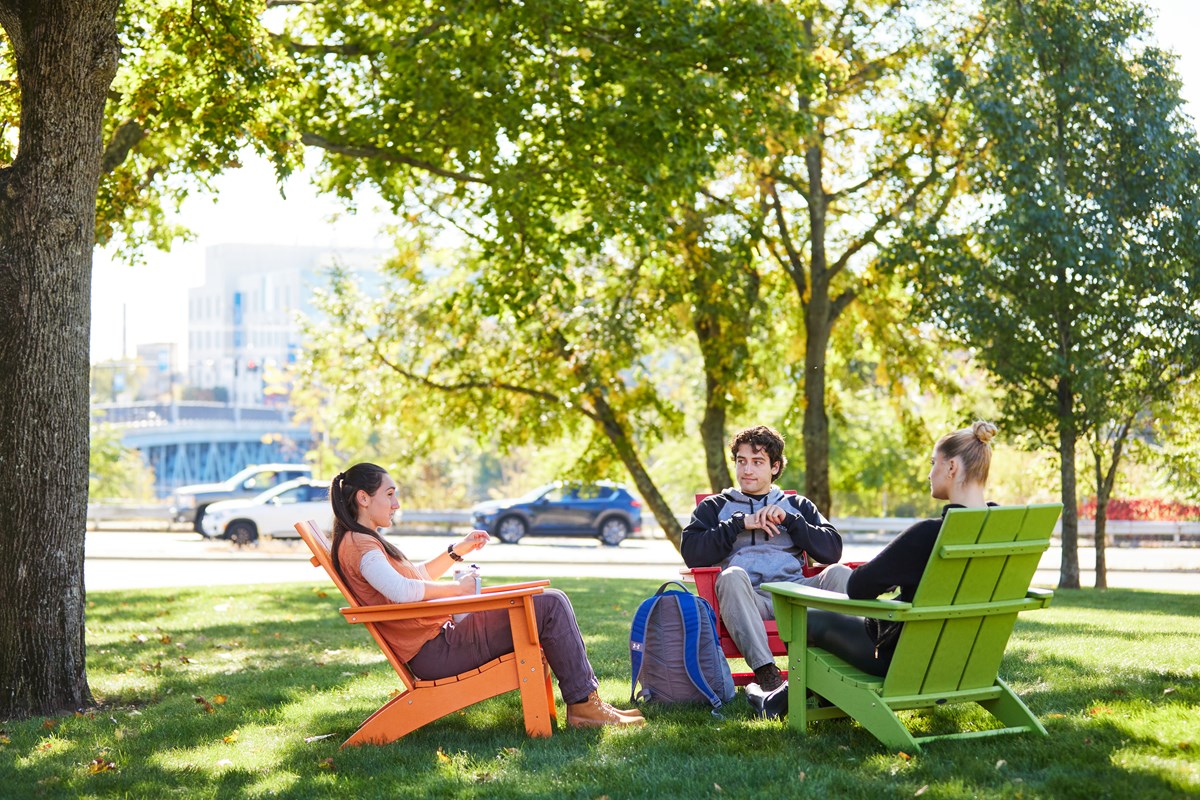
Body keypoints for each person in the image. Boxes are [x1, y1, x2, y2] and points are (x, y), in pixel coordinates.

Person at [328, 462, 644, 729]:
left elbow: (416, 577)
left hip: (442, 641)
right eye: (390, 494)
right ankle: (585, 706)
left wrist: (456, 551)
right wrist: (458, 590)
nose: (396, 504)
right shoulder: (361, 545)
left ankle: (588, 703)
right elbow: (401, 592)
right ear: (363, 498)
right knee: (549, 604)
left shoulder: (362, 541)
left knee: (549, 602)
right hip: (437, 651)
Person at [808, 420, 999, 678]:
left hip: (903, 657)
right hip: (966, 656)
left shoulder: (928, 534)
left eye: (933, 464)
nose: (930, 474)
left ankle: (785, 696)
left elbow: (858, 588)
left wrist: (891, 575)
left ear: (951, 467)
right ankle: (779, 698)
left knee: (810, 618)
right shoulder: (1002, 530)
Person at [680, 425, 851, 702]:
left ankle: (838, 669)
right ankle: (767, 673)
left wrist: (791, 521)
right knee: (731, 575)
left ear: (775, 467)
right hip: (750, 599)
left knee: (840, 574)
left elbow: (832, 550)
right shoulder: (714, 507)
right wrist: (737, 524)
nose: (747, 470)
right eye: (741, 461)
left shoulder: (797, 505)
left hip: (796, 595)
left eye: (757, 462)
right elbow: (692, 553)